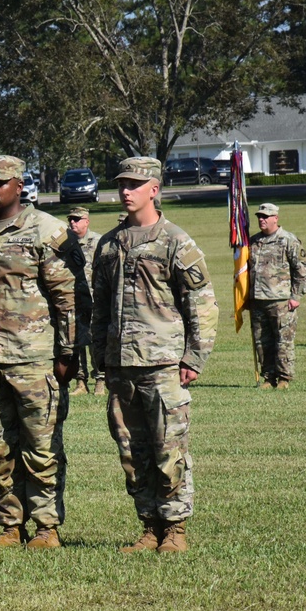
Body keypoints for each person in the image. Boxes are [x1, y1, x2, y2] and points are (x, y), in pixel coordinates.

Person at [0, 155, 78, 550]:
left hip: (33, 358)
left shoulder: (46, 231)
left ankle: (45, 528)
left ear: (19, 186)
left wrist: (68, 352)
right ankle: (10, 525)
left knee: (41, 447)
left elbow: (67, 298)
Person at [92, 156, 218, 554]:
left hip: (163, 363)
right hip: (120, 364)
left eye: (135, 184)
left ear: (154, 189)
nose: (126, 191)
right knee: (133, 452)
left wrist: (193, 358)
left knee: (170, 449)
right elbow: (98, 308)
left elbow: (201, 303)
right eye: (122, 184)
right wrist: (100, 358)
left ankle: (175, 528)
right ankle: (149, 526)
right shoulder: (109, 243)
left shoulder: (176, 241)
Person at [248, 202, 306, 389]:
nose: (262, 219)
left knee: (283, 342)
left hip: (281, 300)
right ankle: (268, 378)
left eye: (266, 216)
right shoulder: (253, 242)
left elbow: (302, 271)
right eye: (259, 216)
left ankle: (284, 378)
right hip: (258, 300)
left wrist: (296, 296)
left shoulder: (288, 240)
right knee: (262, 342)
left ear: (276, 218)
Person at [67, 206, 104, 396]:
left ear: (87, 221)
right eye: (71, 219)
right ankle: (80, 382)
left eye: (77, 219)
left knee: (95, 341)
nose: (73, 222)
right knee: (76, 342)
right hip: (73, 300)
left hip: (94, 300)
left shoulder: (98, 242)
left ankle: (100, 380)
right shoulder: (65, 244)